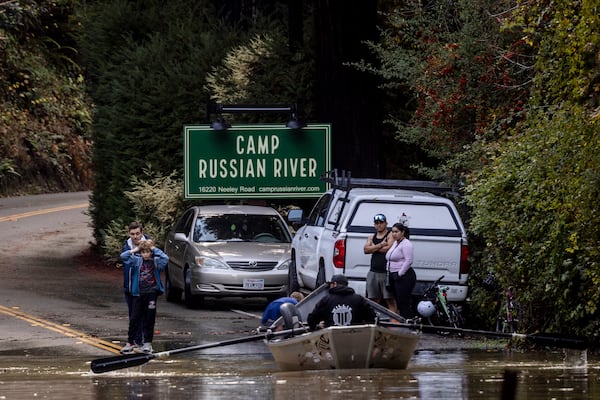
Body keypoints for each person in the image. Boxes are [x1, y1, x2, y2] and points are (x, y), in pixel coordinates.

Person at [119, 239, 168, 354]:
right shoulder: (136, 261)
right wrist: (135, 249)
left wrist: (153, 248)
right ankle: (130, 342)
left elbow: (165, 258)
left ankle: (147, 343)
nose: (145, 254)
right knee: (134, 318)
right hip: (138, 294)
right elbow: (123, 256)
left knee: (149, 318)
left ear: (150, 252)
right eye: (143, 252)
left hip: (151, 294)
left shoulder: (156, 262)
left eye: (147, 252)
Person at [307, 275, 376, 330]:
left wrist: (318, 326)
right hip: (355, 338)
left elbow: (311, 320)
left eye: (330, 284)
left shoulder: (326, 300)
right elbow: (372, 317)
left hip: (331, 340)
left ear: (335, 284)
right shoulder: (359, 299)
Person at [121, 221, 150, 347]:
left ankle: (144, 341)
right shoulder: (126, 246)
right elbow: (124, 259)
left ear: (142, 233)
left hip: (145, 288)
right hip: (130, 287)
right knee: (133, 316)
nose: (135, 236)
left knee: (144, 315)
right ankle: (136, 342)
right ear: (129, 234)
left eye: (138, 233)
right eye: (132, 234)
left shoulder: (148, 245)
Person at [363, 213, 397, 313]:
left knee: (389, 299)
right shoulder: (371, 236)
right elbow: (365, 250)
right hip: (373, 272)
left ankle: (394, 322)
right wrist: (381, 244)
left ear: (386, 223)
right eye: (376, 223)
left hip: (385, 272)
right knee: (373, 300)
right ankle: (374, 320)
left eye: (381, 223)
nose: (379, 225)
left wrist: (373, 247)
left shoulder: (390, 235)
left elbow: (388, 249)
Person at [386, 223, 416, 319]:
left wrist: (400, 273)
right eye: (393, 232)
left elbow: (409, 260)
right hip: (392, 274)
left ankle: (408, 321)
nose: (394, 234)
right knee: (398, 301)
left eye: (396, 232)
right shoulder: (396, 243)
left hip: (404, 276)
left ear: (402, 232)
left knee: (403, 302)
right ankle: (401, 321)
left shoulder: (406, 244)